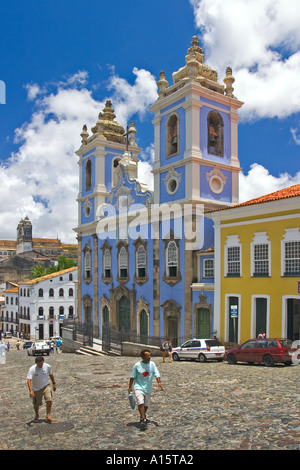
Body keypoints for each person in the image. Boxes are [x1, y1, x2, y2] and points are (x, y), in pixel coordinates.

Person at [128, 349, 163, 430]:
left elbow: (156, 374)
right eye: (147, 356)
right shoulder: (137, 365)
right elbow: (132, 377)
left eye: (150, 355)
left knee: (146, 405)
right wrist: (130, 387)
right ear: (143, 357)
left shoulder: (152, 364)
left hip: (148, 388)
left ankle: (142, 416)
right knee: (141, 402)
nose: (149, 357)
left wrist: (159, 383)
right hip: (138, 387)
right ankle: (143, 419)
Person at [27, 356, 57, 423]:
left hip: (46, 386)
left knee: (49, 399)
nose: (40, 365)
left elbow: (51, 374)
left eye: (41, 364)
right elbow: (29, 380)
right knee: (36, 403)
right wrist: (31, 390)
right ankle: (37, 415)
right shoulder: (32, 369)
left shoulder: (47, 366)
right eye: (39, 364)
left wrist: (54, 384)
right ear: (36, 363)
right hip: (37, 388)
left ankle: (48, 415)